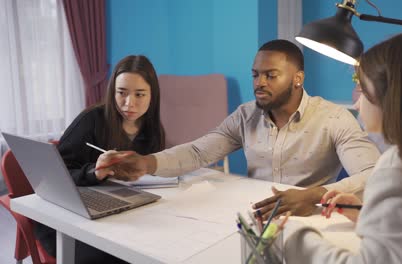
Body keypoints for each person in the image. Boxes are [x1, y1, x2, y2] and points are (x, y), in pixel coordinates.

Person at [97, 39, 380, 219]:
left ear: (297, 79)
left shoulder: (334, 118)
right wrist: (147, 163)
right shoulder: (245, 115)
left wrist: (316, 194)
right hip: (254, 218)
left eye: (271, 75)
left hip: (311, 219)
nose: (259, 83)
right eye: (256, 74)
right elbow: (198, 152)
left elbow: (372, 174)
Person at [284, 33, 402, 263]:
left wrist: (296, 238)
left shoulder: (398, 167)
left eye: (362, 91)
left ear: (389, 98)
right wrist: (370, 214)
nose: (356, 104)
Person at [34, 55, 165, 263]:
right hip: (69, 220)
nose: (129, 103)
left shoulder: (153, 131)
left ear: (153, 96)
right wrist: (94, 172)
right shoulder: (90, 120)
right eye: (121, 93)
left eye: (140, 94)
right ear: (112, 91)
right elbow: (53, 177)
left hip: (119, 216)